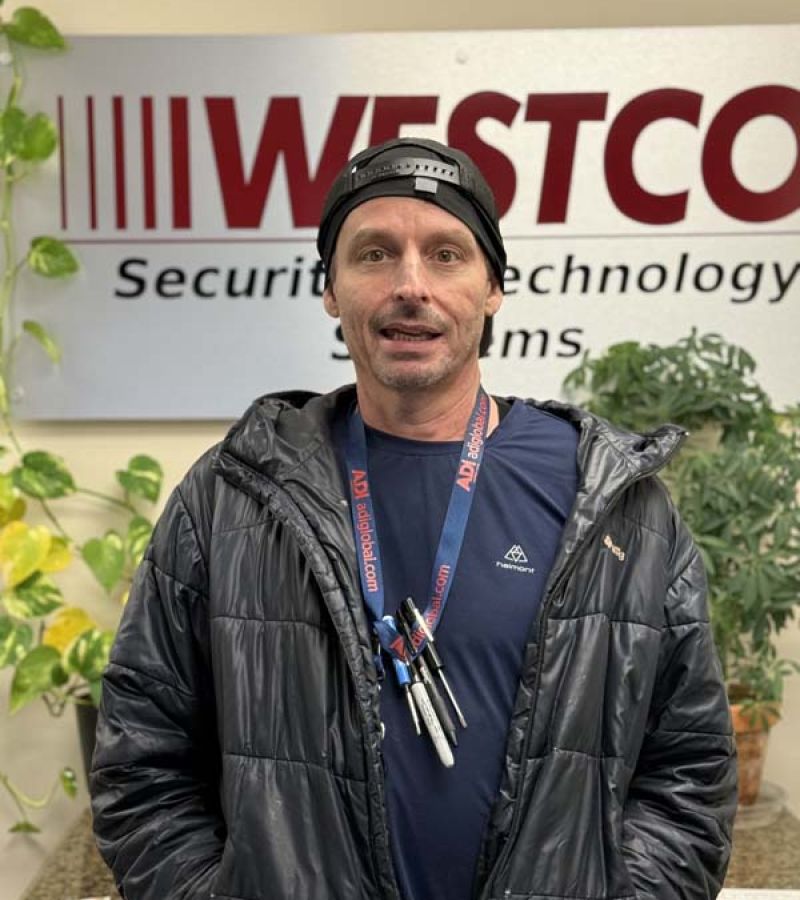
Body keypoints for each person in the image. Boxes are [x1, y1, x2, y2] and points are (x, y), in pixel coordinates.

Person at [90, 138, 737, 900]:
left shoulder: (614, 505)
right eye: (373, 254)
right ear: (330, 289)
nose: (410, 285)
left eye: (445, 254)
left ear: (493, 287)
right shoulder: (229, 500)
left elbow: (689, 773)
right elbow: (142, 763)